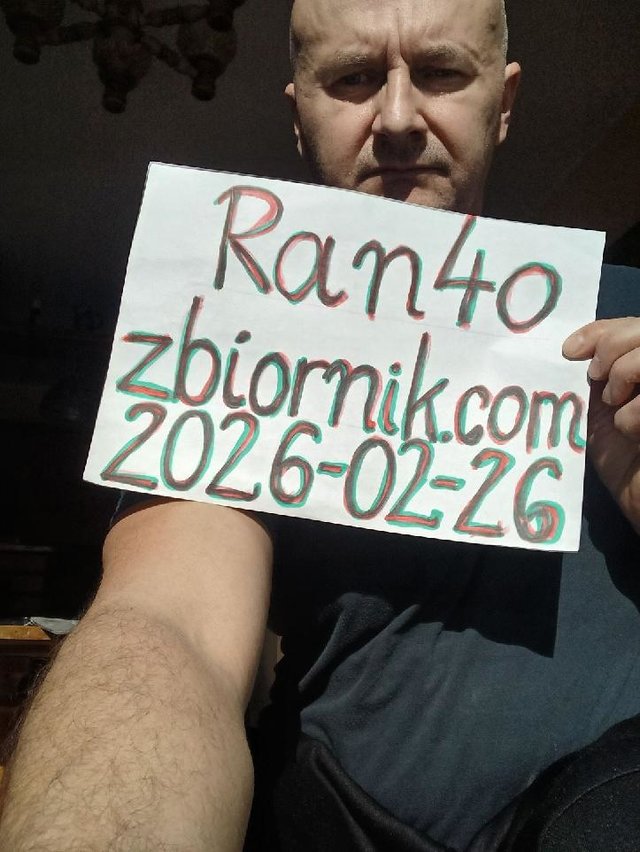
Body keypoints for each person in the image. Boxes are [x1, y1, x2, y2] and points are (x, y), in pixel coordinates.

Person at [2, 0, 640, 849]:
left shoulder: (630, 318)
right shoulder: (230, 334)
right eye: (353, 78)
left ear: (504, 102)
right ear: (299, 114)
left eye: (441, 73)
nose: (399, 117)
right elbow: (170, 620)